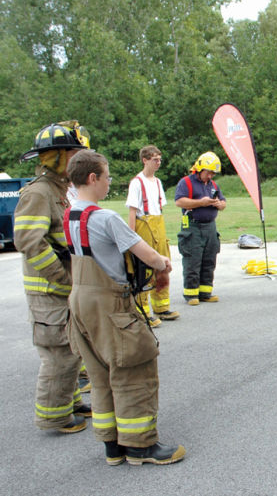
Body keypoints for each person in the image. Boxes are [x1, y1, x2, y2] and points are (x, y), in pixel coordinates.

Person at [64, 150, 185, 466]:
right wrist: (163, 264)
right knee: (134, 370)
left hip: (79, 303)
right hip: (110, 304)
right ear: (93, 178)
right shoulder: (105, 218)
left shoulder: (70, 216)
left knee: (100, 373)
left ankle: (112, 445)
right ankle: (140, 446)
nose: (108, 183)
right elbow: (148, 254)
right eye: (106, 177)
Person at [14, 121, 91, 434]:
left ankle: (68, 402)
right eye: (73, 154)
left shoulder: (60, 190)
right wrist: (60, 276)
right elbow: (28, 240)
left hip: (62, 287)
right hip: (49, 289)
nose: (77, 160)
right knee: (59, 354)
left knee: (71, 350)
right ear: (58, 156)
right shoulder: (39, 193)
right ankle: (54, 416)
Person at [125, 145, 179, 325]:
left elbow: (159, 207)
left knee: (163, 266)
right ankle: (143, 311)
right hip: (143, 226)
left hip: (158, 226)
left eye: (160, 160)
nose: (158, 163)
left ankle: (162, 307)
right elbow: (132, 211)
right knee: (144, 269)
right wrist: (131, 237)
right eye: (155, 159)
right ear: (145, 160)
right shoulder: (136, 183)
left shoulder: (157, 182)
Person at [174, 152, 226, 305]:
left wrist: (219, 204)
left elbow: (223, 202)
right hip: (193, 226)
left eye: (213, 173)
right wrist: (201, 203)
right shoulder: (186, 183)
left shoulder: (213, 185)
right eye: (208, 172)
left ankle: (205, 292)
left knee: (209, 259)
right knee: (193, 260)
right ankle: (191, 294)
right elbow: (179, 201)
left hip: (210, 227)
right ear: (199, 168)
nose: (210, 176)